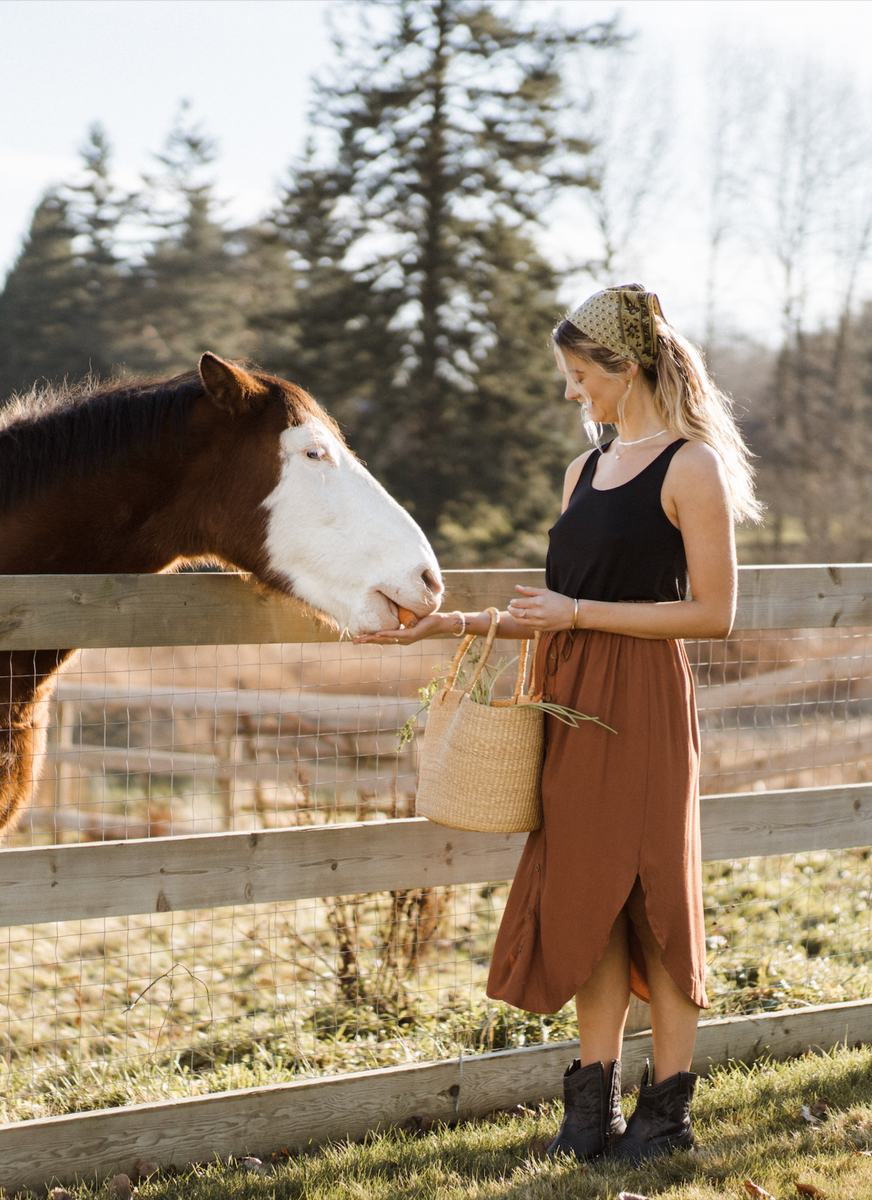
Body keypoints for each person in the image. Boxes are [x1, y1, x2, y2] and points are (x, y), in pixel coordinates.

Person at [355, 284, 761, 1164]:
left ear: (627, 367)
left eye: (580, 375)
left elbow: (714, 615)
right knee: (589, 899)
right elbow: (551, 608)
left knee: (656, 898)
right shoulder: (583, 471)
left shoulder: (691, 467)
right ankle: (590, 1110)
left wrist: (580, 614)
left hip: (644, 700)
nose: (572, 392)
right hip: (567, 700)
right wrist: (449, 624)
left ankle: (667, 1115)